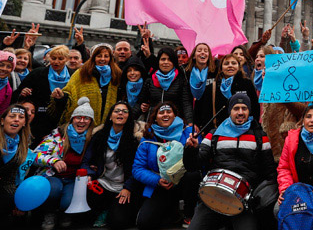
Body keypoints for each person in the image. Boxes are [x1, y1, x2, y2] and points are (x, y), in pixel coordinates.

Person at [184, 94, 277, 230]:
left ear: (249, 111)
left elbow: (269, 172)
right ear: (229, 111)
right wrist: (191, 150)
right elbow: (192, 165)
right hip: (214, 195)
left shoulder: (260, 137)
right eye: (236, 108)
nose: (240, 112)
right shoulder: (214, 134)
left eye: (244, 108)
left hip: (244, 199)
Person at [133, 102, 198, 229]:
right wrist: (157, 180)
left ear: (175, 115)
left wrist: (194, 149)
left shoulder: (189, 132)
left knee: (193, 175)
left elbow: (200, 161)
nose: (165, 115)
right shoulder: (148, 137)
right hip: (160, 185)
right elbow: (137, 169)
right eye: (161, 112)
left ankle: (189, 213)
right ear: (155, 118)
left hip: (184, 184)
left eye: (169, 112)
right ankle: (172, 211)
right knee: (144, 223)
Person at [35, 97, 96, 230]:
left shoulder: (93, 138)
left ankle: (64, 213)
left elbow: (97, 162)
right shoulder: (59, 134)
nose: (81, 121)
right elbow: (36, 154)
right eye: (78, 117)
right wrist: (54, 160)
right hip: (54, 176)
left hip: (75, 179)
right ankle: (49, 213)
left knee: (67, 202)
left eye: (86, 118)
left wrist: (92, 171)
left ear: (91, 121)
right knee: (53, 191)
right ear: (72, 119)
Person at [82, 101, 139, 229]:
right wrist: (90, 175)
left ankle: (111, 209)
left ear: (129, 117)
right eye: (116, 111)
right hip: (103, 183)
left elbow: (138, 168)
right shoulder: (99, 136)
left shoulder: (134, 139)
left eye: (125, 111)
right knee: (82, 217)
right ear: (110, 116)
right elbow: (86, 161)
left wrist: (128, 188)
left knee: (117, 222)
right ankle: (106, 207)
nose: (120, 113)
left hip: (123, 187)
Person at [51, 43, 122, 127]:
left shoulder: (116, 74)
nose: (103, 59)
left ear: (110, 58)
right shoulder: (82, 73)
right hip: (82, 122)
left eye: (106, 56)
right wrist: (61, 96)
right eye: (99, 56)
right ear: (93, 58)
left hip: (106, 124)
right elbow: (69, 92)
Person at [13, 44, 70, 145]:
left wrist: (62, 98)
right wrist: (23, 93)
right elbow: (17, 94)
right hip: (37, 122)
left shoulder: (72, 75)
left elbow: (72, 98)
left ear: (66, 59)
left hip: (60, 123)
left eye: (60, 58)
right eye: (53, 58)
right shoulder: (38, 73)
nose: (56, 62)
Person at [193, 53, 258, 132]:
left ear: (239, 66)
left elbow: (255, 108)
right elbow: (203, 111)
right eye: (226, 64)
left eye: (234, 63)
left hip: (244, 131)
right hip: (219, 132)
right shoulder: (212, 87)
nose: (230, 66)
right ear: (221, 68)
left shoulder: (247, 84)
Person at [132, 47, 194, 125]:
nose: (166, 62)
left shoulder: (181, 80)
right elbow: (140, 102)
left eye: (169, 60)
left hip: (174, 124)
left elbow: (186, 104)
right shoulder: (150, 80)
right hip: (153, 123)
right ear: (158, 61)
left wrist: (190, 122)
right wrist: (129, 119)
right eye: (163, 59)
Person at [0, 104, 37, 227]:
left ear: (25, 123)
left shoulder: (22, 147)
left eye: (21, 117)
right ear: (2, 120)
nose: (16, 119)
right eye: (12, 116)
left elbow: (10, 180)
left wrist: (18, 202)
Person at [0, 50, 15, 115]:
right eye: (1, 65)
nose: (4, 69)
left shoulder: (8, 89)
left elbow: (2, 111)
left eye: (8, 67)